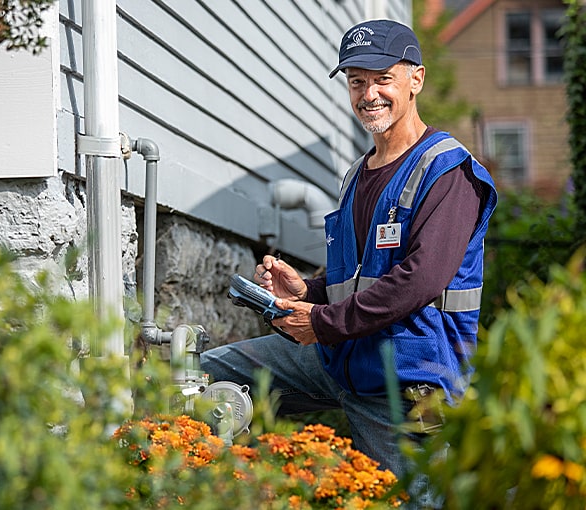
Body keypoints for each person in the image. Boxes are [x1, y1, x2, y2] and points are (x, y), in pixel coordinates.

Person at [201, 19, 497, 506]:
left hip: (409, 381)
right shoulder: (358, 174)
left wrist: (321, 320)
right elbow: (357, 276)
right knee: (203, 372)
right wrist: (307, 292)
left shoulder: (449, 170)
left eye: (383, 78)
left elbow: (419, 280)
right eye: (357, 81)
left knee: (406, 502)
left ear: (415, 80)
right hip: (344, 360)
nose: (368, 94)